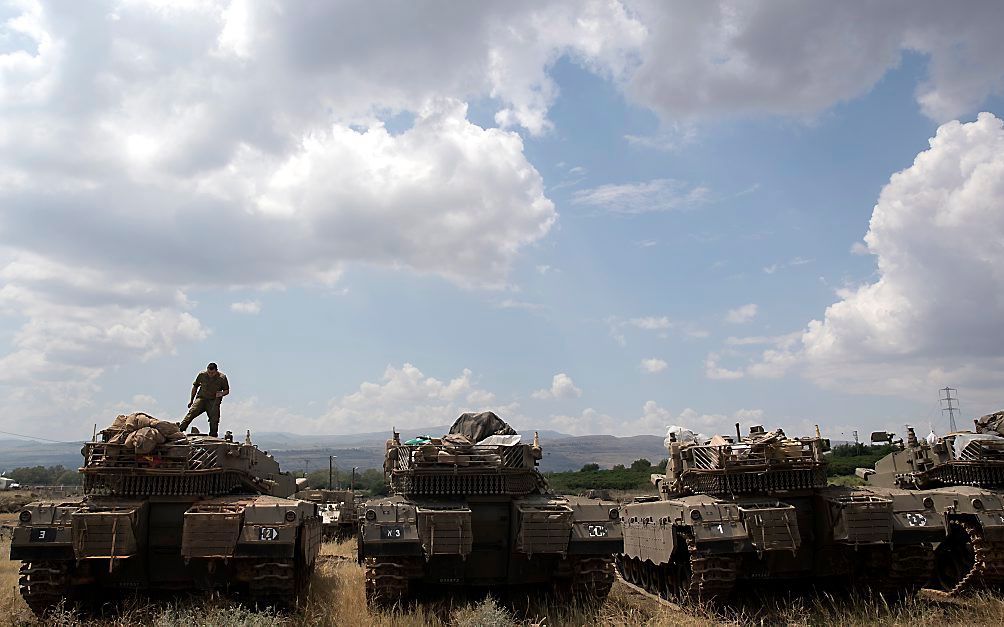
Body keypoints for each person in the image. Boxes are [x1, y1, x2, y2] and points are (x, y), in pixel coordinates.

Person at [179, 362, 229, 437]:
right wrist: (191, 400)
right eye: (209, 372)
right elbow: (195, 386)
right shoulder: (202, 375)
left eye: (212, 373)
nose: (210, 374)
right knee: (192, 412)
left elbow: (227, 390)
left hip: (213, 401)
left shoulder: (222, 378)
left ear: (216, 371)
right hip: (202, 398)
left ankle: (213, 437)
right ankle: (180, 430)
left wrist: (221, 394)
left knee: (214, 419)